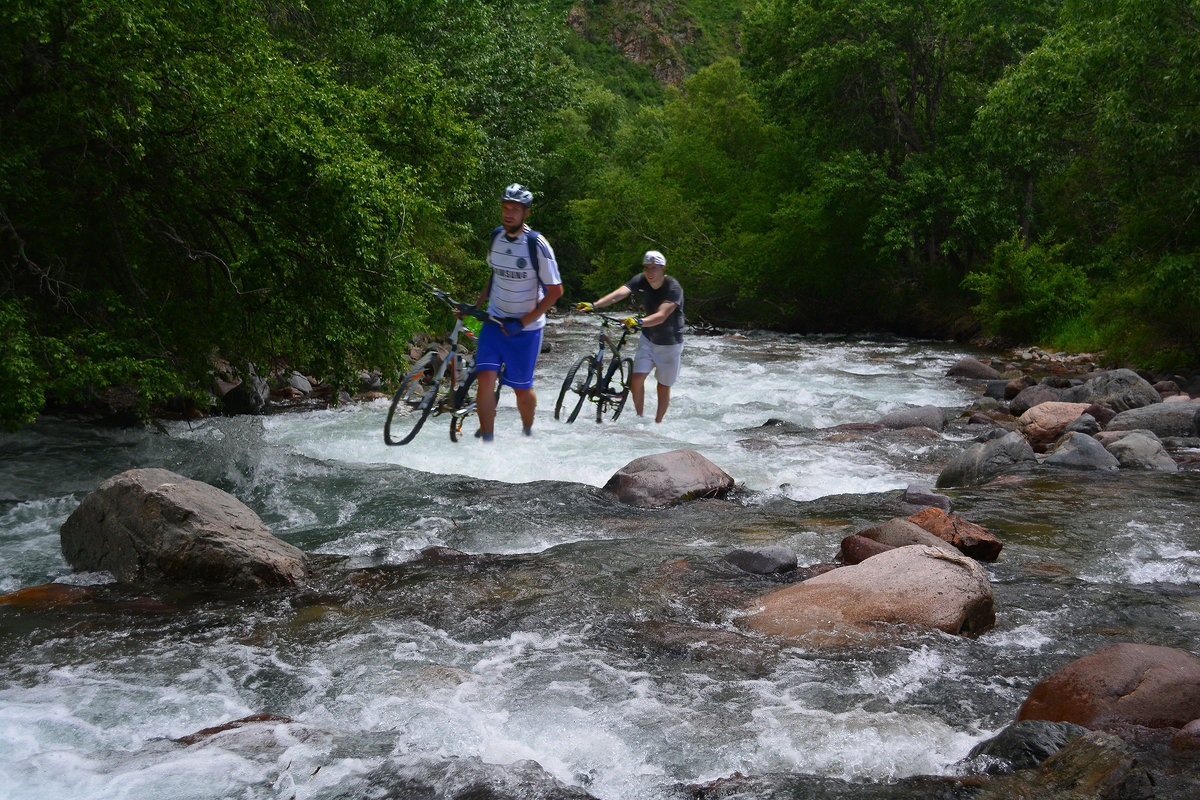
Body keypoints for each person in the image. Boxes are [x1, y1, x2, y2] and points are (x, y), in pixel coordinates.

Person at [471, 183, 563, 441]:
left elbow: (555, 292)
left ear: (526, 213)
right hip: (494, 322)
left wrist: (522, 322)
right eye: (505, 208)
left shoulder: (537, 245)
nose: (508, 213)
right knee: (485, 379)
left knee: (521, 391)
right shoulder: (495, 238)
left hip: (526, 331)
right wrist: (475, 306)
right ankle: (487, 441)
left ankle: (527, 432)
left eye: (515, 209)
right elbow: (494, 275)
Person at [576, 250, 684, 422]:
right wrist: (594, 305)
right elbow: (619, 294)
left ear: (663, 268)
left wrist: (639, 322)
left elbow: (662, 315)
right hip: (648, 339)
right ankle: (640, 417)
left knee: (663, 387)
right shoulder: (641, 279)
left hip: (670, 344)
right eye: (647, 268)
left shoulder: (673, 287)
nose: (649, 272)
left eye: (654, 268)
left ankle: (658, 422)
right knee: (636, 379)